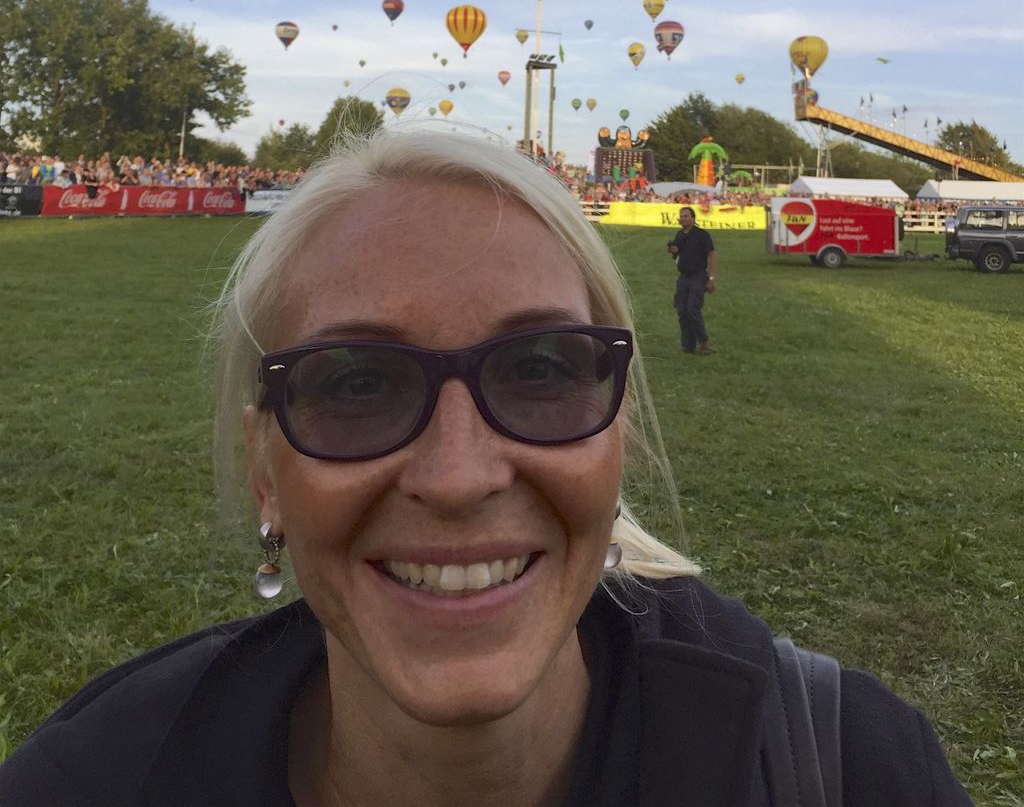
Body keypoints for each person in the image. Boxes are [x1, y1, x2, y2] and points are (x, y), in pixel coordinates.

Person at [1, 131, 972, 806]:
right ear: (265, 470)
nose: (458, 477)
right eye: (355, 384)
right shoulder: (94, 781)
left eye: (544, 370)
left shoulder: (845, 766)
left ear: (615, 429)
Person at [667, 205, 717, 354]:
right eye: (681, 216)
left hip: (698, 276)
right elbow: (677, 252)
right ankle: (688, 345)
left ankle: (704, 343)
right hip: (683, 277)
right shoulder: (680, 235)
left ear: (693, 218)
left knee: (692, 310)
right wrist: (672, 250)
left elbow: (713, 255)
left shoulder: (702, 235)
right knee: (682, 311)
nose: (683, 218)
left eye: (686, 216)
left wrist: (712, 278)